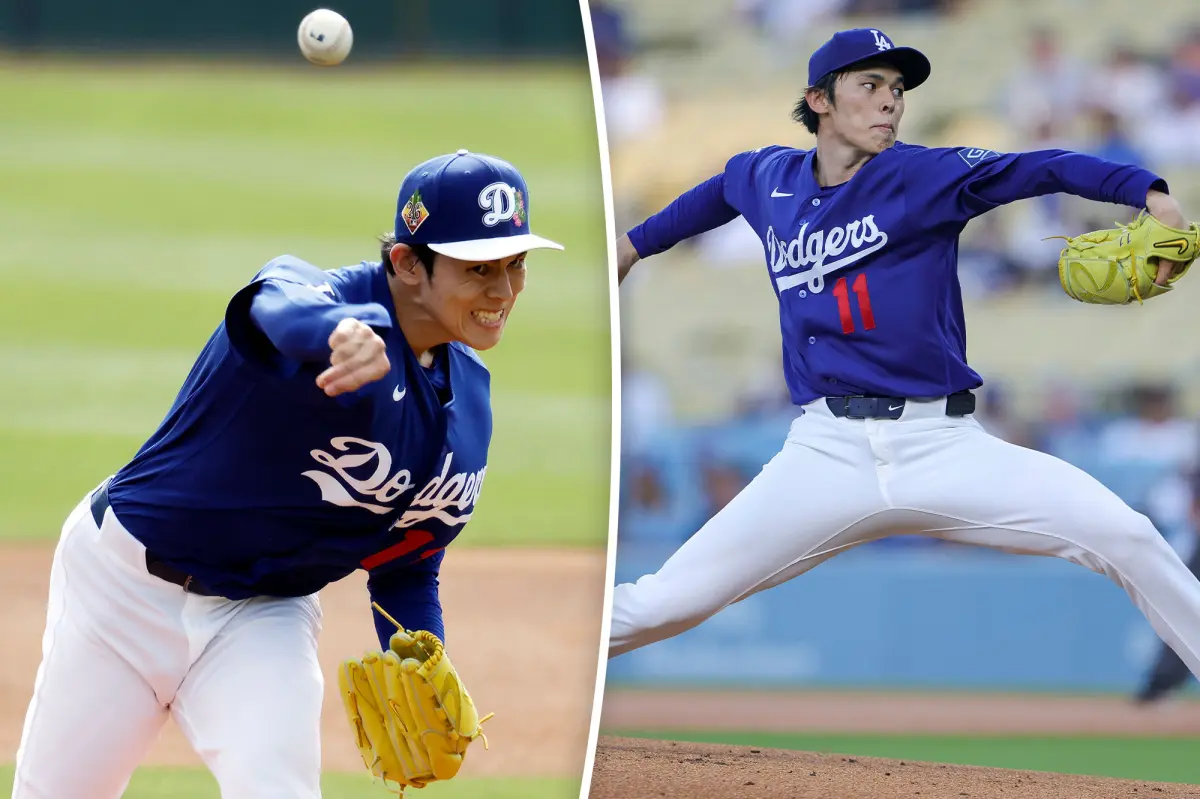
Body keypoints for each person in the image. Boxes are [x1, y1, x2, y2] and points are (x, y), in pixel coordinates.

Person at [607, 27, 1200, 685]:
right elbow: (717, 191)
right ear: (820, 99)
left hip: (943, 445)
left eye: (896, 89)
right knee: (660, 603)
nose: (890, 101)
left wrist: (1149, 191)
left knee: (1131, 537)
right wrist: (635, 244)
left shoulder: (925, 174)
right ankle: (506, 666)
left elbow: (1042, 166)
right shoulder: (765, 176)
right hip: (825, 452)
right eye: (870, 86)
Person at [11, 150, 563, 799]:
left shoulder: (467, 402)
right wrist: (335, 334)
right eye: (478, 268)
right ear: (408, 264)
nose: (502, 290)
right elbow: (274, 296)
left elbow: (407, 558)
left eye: (515, 264)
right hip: (122, 591)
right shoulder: (328, 302)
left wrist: (416, 652)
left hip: (261, 618)